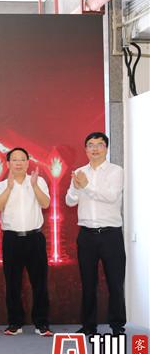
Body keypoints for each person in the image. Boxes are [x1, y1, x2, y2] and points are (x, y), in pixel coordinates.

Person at [66, 132, 126, 336]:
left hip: (110, 235)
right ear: (85, 149)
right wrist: (76, 188)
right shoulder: (79, 172)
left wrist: (86, 186)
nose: (95, 149)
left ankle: (117, 326)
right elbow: (70, 201)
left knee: (115, 282)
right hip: (86, 235)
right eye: (90, 145)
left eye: (99, 145)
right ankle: (88, 326)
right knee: (88, 282)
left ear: (106, 148)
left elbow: (110, 196)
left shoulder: (115, 171)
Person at [0, 147, 53, 337]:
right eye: (14, 160)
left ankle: (41, 323)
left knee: (40, 283)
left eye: (22, 159)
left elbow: (45, 203)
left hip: (35, 238)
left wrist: (34, 186)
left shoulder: (38, 181)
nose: (18, 163)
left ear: (28, 162)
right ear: (8, 163)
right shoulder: (1, 185)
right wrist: (9, 188)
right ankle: (15, 323)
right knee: (12, 284)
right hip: (12, 239)